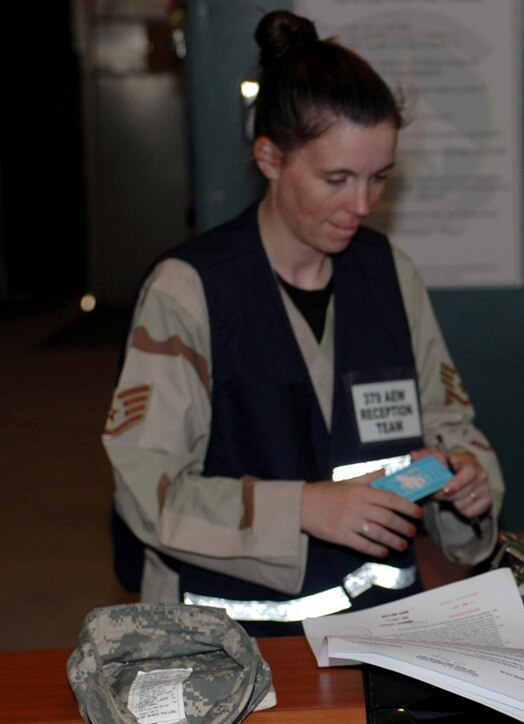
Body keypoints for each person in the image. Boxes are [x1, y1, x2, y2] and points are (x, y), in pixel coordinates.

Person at [103, 10, 503, 637]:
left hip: (384, 632)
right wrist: (303, 508)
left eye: (379, 179)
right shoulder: (190, 291)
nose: (363, 205)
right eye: (336, 179)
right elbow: (146, 490)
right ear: (269, 157)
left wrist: (469, 484)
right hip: (232, 641)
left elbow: (450, 428)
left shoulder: (388, 273)